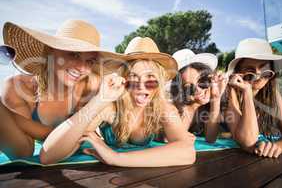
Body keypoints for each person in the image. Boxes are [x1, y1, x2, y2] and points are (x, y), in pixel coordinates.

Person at [40, 37, 196, 167]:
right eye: (134, 78)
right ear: (124, 79)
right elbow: (48, 156)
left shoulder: (164, 108)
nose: (141, 87)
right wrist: (100, 100)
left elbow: (188, 152)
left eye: (150, 79)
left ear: (159, 82)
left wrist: (115, 158)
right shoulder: (109, 107)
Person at [0, 19, 124, 157]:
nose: (82, 68)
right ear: (50, 51)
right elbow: (22, 151)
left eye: (90, 61)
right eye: (74, 54)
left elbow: (70, 138)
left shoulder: (91, 86)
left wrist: (14, 118)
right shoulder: (18, 87)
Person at [225, 38, 282, 158]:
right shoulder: (230, 93)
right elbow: (248, 141)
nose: (258, 74)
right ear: (237, 73)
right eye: (250, 71)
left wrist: (276, 147)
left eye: (264, 69)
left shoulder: (272, 93)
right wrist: (247, 92)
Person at [170, 49, 227, 143]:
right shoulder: (175, 109)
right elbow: (172, 138)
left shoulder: (208, 107)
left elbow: (211, 139)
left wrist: (216, 99)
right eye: (189, 88)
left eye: (203, 82)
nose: (198, 90)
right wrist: (187, 106)